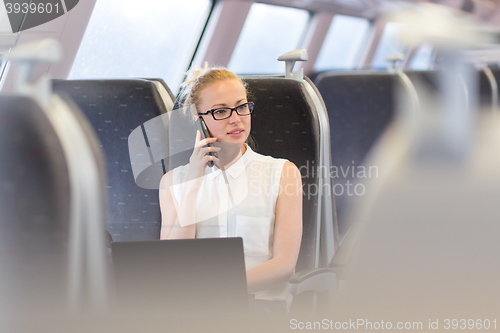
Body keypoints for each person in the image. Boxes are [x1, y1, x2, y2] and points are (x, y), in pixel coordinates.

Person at [159, 66, 302, 300]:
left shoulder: (283, 173)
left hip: (260, 309)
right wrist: (193, 184)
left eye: (242, 106)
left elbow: (284, 264)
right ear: (199, 120)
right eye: (221, 111)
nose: (236, 119)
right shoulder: (173, 182)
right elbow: (172, 263)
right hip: (195, 312)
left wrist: (224, 289)